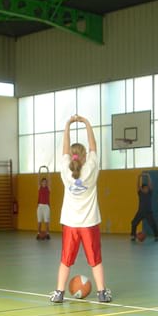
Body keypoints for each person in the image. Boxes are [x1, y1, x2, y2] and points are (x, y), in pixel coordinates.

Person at [49, 114, 111, 304]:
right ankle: (101, 293)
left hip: (70, 223)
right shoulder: (91, 167)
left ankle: (59, 293)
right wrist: (86, 123)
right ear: (85, 157)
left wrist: (67, 125)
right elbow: (94, 147)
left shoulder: (66, 170)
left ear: (71, 156)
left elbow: (64, 150)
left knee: (65, 259)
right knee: (96, 259)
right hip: (89, 223)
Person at [130, 172, 158, 241]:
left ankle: (157, 236)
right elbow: (138, 186)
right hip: (140, 212)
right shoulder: (140, 193)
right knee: (133, 223)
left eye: (147, 188)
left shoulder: (150, 193)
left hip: (148, 212)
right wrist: (139, 177)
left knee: (153, 224)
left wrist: (148, 176)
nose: (146, 189)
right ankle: (133, 236)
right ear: (142, 189)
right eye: (145, 188)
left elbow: (150, 184)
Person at [37, 173, 51, 240]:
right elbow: (38, 180)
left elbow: (50, 182)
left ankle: (48, 234)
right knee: (39, 221)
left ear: (46, 183)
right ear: (41, 182)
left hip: (46, 206)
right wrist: (39, 174)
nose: (44, 183)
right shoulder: (39, 187)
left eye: (45, 182)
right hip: (40, 206)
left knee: (46, 221)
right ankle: (38, 234)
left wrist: (49, 174)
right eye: (43, 182)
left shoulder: (48, 188)